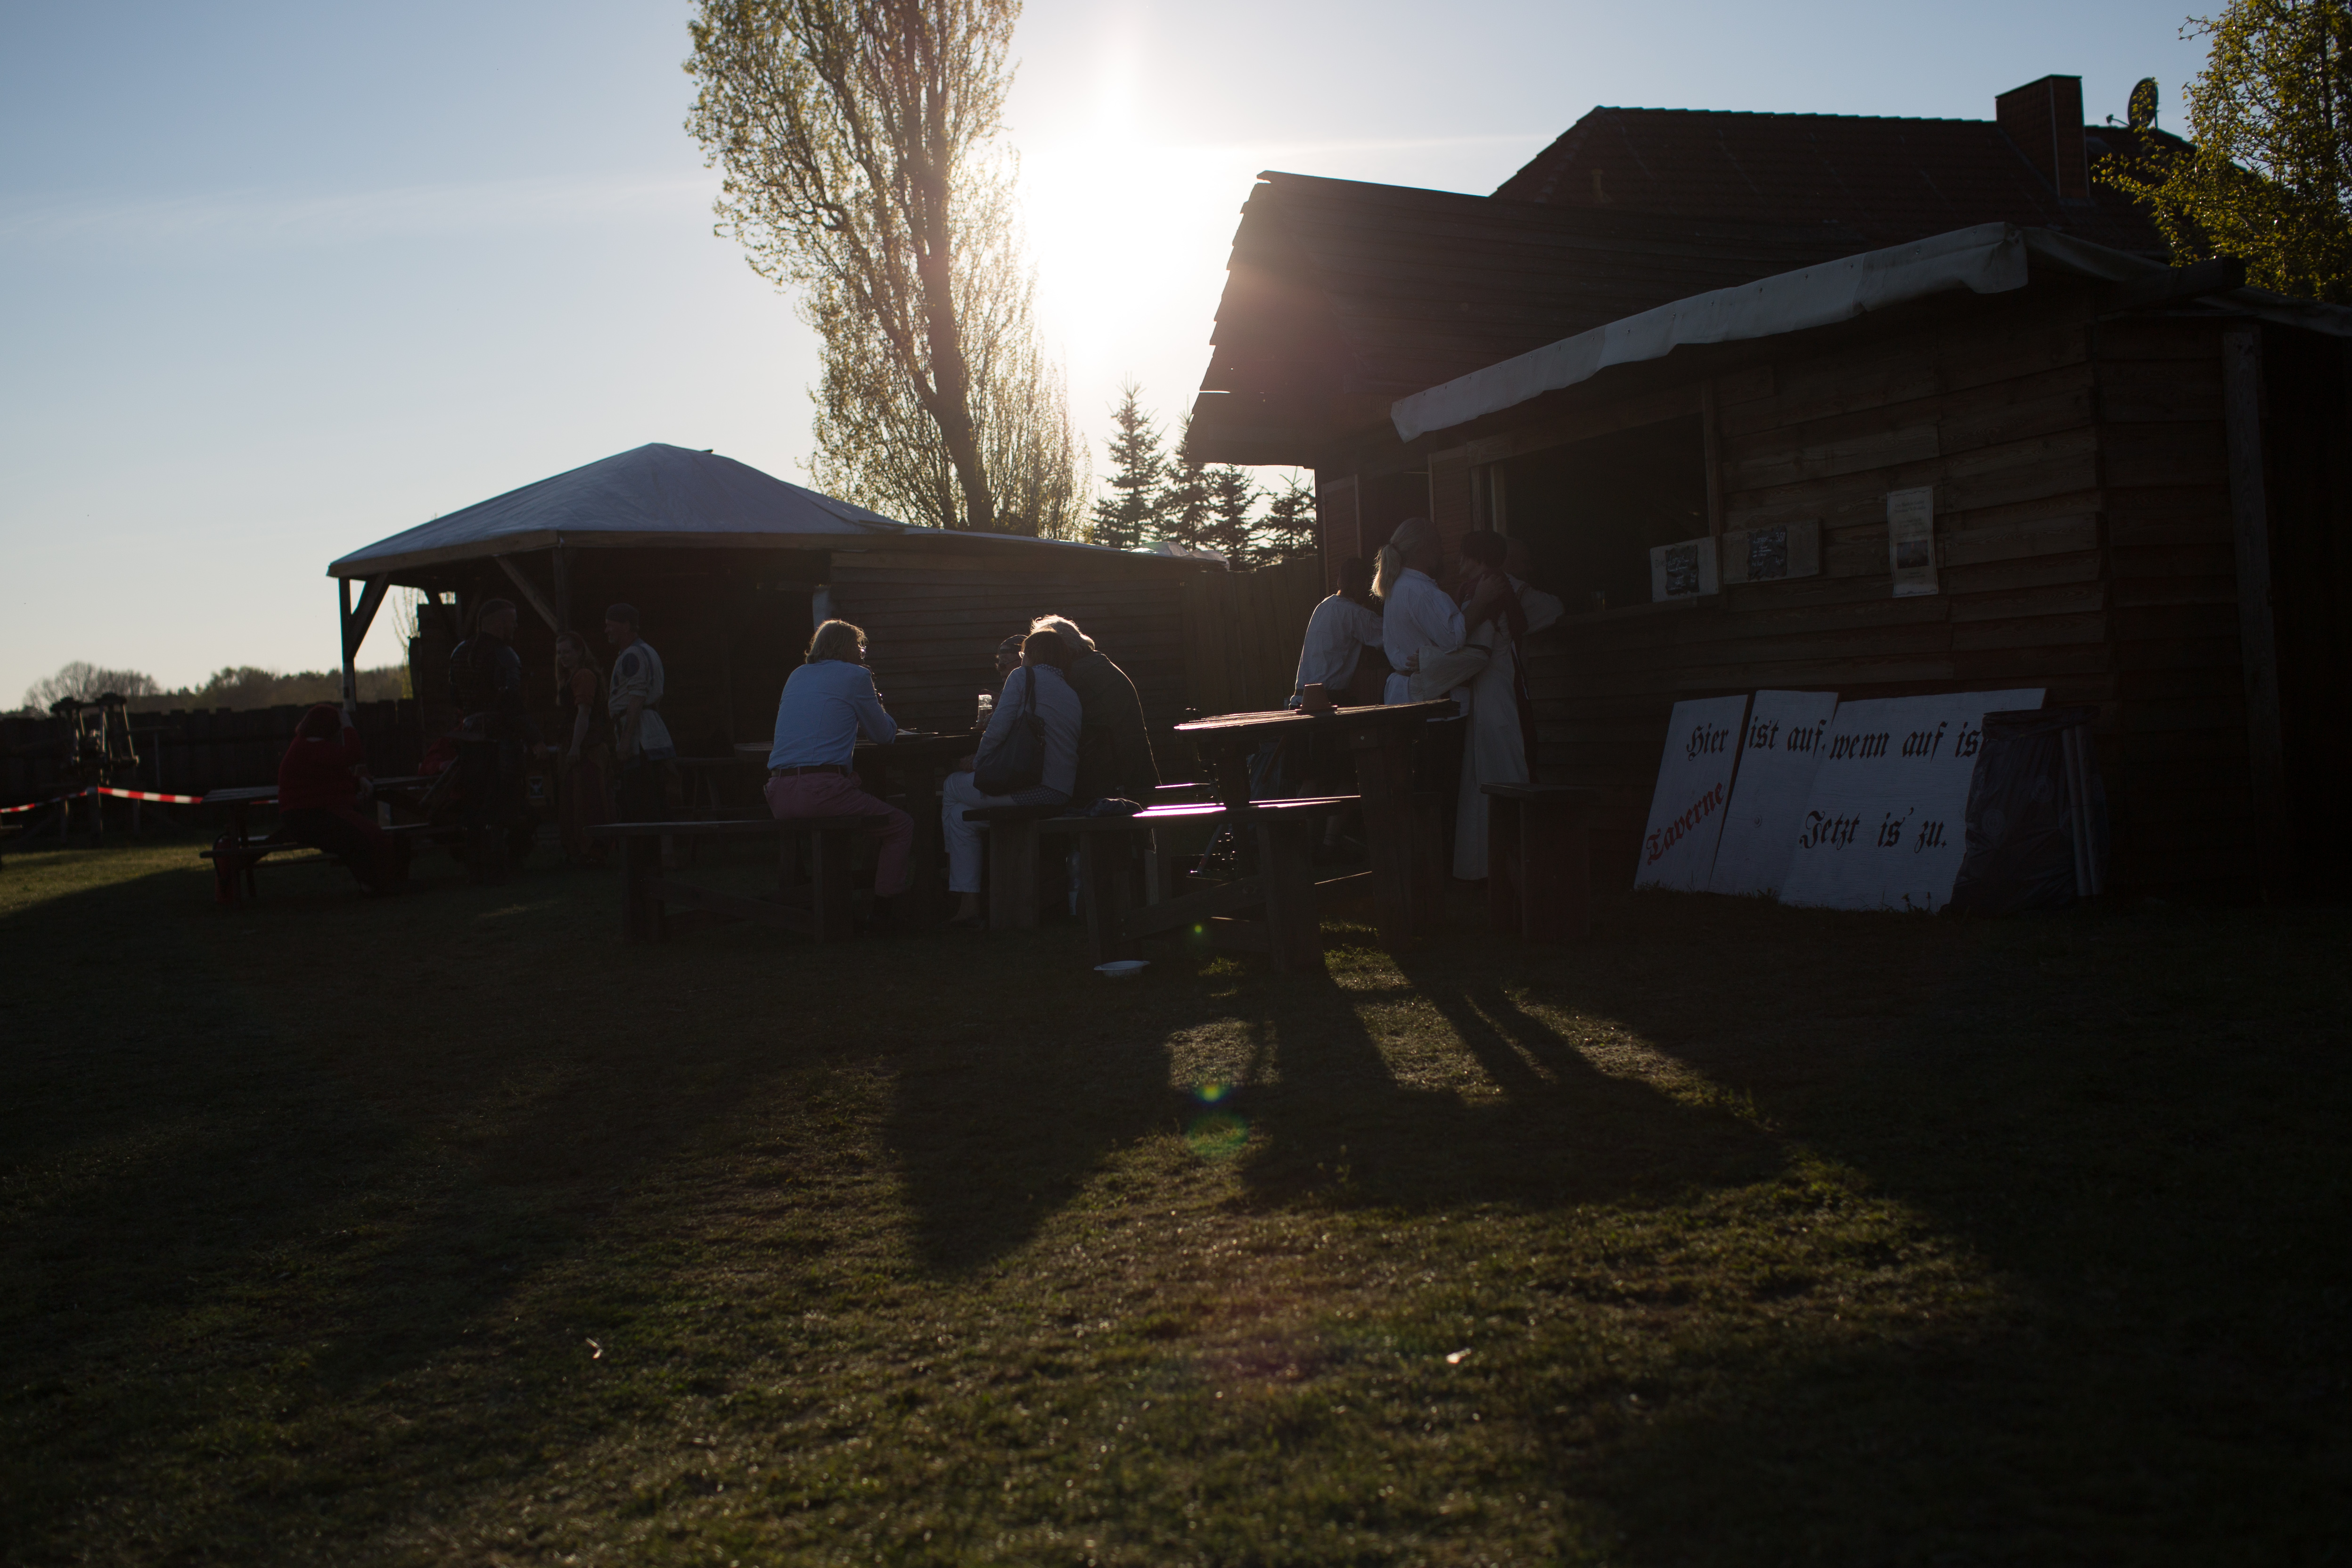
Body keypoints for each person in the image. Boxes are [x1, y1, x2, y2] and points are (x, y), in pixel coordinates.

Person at [764, 619, 914, 913]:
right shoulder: (856, 675)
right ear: (848, 647)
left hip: (779, 792)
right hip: (821, 792)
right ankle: (886, 908)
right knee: (900, 825)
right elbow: (883, 735)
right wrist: (877, 703)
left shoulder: (797, 675)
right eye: (860, 647)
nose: (862, 653)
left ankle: (818, 900)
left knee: (846, 809)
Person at [941, 628, 1084, 925]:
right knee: (959, 816)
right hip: (1060, 792)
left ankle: (947, 872)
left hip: (1032, 788)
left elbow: (998, 729)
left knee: (952, 786)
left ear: (1031, 655)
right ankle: (968, 904)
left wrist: (978, 762)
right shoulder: (1070, 692)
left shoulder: (1023, 677)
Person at [1450, 531, 1565, 879]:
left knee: (1503, 769)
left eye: (1464, 555)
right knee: (1489, 770)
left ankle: (1514, 865)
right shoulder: (1481, 589)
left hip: (1498, 690)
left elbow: (1478, 650)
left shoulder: (1492, 590)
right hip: (1492, 690)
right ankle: (1492, 866)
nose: (1459, 561)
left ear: (1477, 557)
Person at [448, 597, 537, 879]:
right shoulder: (505, 655)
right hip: (500, 742)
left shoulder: (459, 653)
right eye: (512, 621)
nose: (516, 627)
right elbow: (512, 702)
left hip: (470, 740)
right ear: (500, 624)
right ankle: (501, 865)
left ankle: (479, 865)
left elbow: (455, 697)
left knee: (477, 804)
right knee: (504, 803)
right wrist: (533, 737)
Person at [277, 702, 403, 893]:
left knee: (362, 836)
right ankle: (377, 884)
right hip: (311, 816)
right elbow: (353, 755)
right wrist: (348, 727)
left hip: (306, 816)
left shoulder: (305, 747)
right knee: (364, 836)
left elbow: (328, 775)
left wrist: (357, 781)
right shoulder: (312, 748)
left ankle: (377, 883)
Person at [1034, 615, 1159, 805]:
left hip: (1110, 784)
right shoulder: (1095, 664)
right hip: (1130, 776)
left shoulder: (1074, 676)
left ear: (1057, 648)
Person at [604, 602, 675, 822]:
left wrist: (626, 740)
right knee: (653, 799)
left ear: (626, 626)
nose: (606, 630)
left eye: (610, 625)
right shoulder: (647, 651)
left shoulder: (633, 655)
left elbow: (637, 698)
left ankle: (648, 844)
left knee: (642, 803)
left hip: (640, 741)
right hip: (650, 734)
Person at [550, 630, 614, 866]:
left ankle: (595, 851)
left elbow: (584, 714)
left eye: (567, 652)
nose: (563, 657)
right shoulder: (570, 677)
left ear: (579, 652)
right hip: (577, 745)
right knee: (575, 799)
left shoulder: (584, 676)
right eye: (559, 653)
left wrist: (575, 747)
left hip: (588, 748)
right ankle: (579, 851)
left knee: (590, 799)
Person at [1293, 556, 1385, 704]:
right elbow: (1390, 635)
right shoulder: (1354, 613)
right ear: (1362, 584)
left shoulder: (1323, 606)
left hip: (1299, 701)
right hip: (1324, 703)